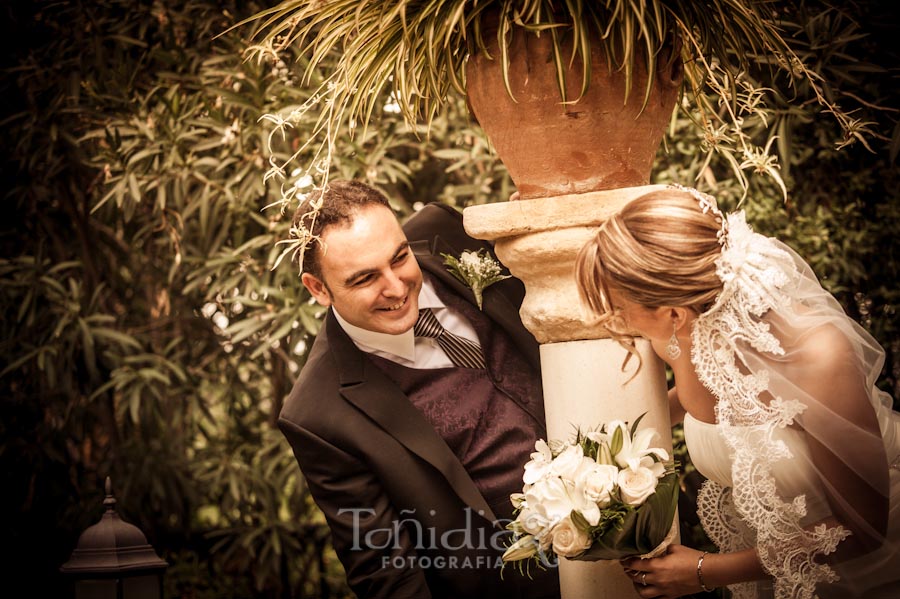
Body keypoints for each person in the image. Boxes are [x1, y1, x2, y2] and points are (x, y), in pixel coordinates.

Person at [574, 185, 900, 599]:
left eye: (620, 308)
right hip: (769, 564)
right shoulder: (682, 333)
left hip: (873, 571)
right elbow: (710, 401)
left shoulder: (820, 359)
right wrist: (602, 457)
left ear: (674, 313)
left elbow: (865, 527)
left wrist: (707, 570)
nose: (614, 319)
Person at [277, 180, 560, 599]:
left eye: (399, 257)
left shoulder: (446, 230)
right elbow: (385, 570)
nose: (396, 287)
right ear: (318, 288)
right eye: (364, 279)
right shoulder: (318, 415)